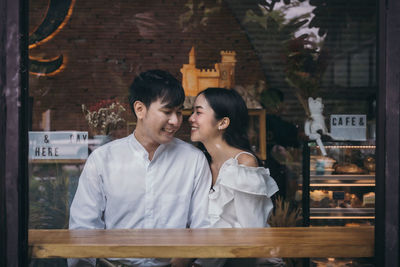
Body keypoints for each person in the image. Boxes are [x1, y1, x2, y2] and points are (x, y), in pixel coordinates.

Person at [68, 70, 211, 267]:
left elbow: (203, 226)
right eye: (167, 112)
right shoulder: (102, 159)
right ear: (140, 109)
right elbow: (83, 228)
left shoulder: (193, 160)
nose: (176, 121)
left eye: (179, 112)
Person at [188, 88, 281, 267]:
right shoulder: (202, 162)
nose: (191, 118)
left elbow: (250, 234)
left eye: (198, 112)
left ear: (222, 123)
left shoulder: (244, 164)